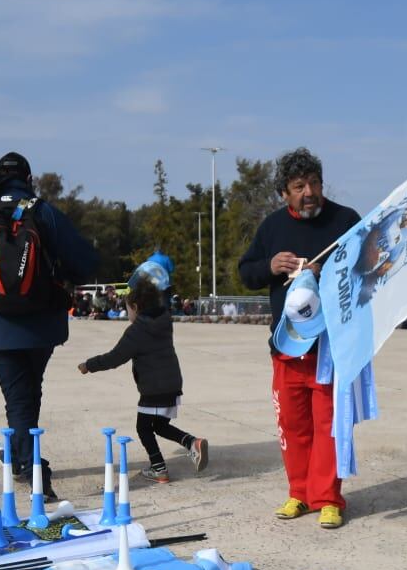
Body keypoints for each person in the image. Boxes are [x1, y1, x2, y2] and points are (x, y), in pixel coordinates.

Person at [0, 151, 99, 499]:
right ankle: (23, 461)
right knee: (27, 393)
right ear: (28, 180)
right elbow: (86, 263)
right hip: (43, 324)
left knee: (19, 396)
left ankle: (29, 468)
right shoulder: (43, 212)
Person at [238, 147, 361, 529]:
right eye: (299, 186)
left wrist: (334, 271)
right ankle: (300, 493)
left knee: (328, 425)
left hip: (330, 349)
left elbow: (369, 267)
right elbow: (245, 273)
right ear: (284, 193)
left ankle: (328, 498)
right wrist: (270, 266)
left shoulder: (346, 220)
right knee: (293, 425)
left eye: (315, 183)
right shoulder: (271, 227)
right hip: (288, 348)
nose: (310, 192)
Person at [77, 258, 208, 484]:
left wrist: (89, 365)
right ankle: (191, 442)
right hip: (172, 383)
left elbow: (114, 358)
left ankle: (159, 469)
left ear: (135, 307)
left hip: (153, 387)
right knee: (158, 425)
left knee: (143, 428)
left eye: (128, 308)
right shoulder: (164, 320)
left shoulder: (137, 331)